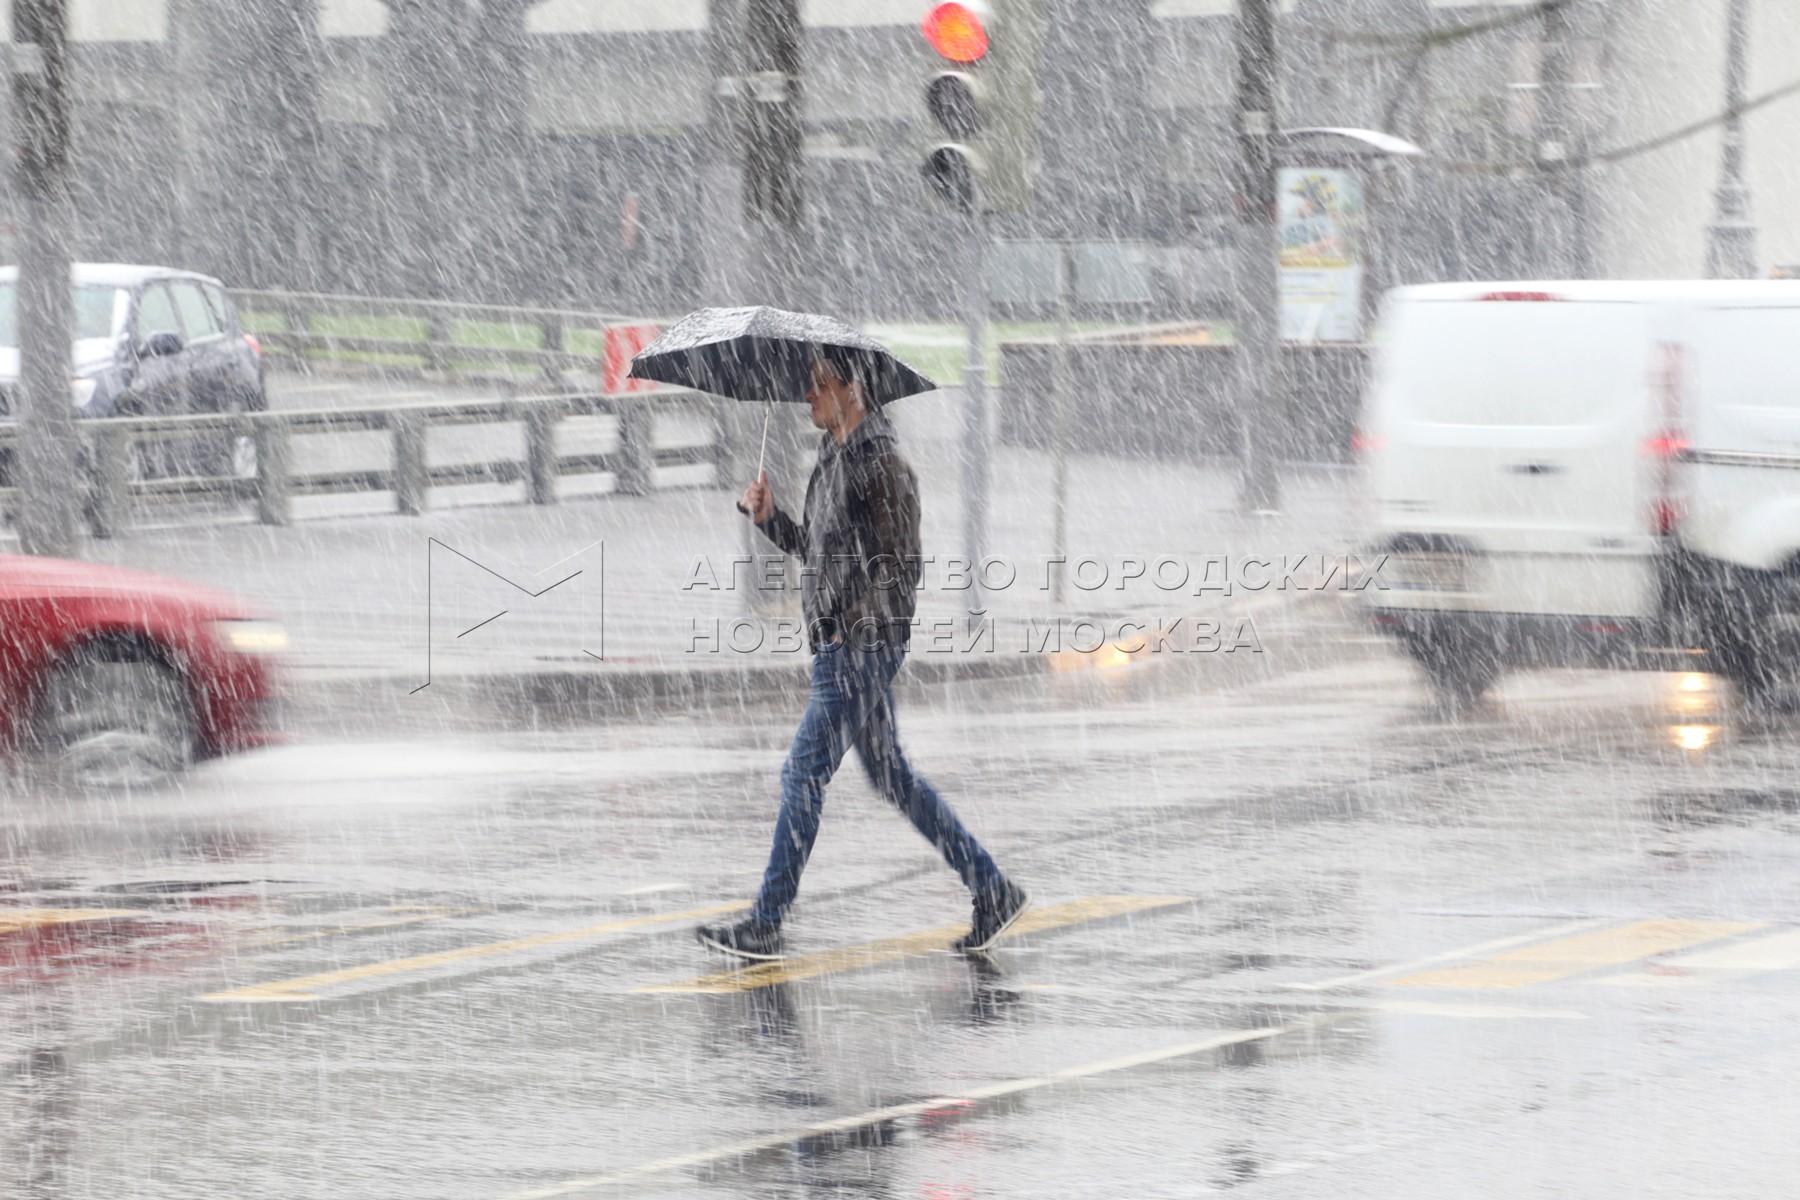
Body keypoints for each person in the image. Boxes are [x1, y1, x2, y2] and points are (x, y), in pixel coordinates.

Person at [694, 349, 1027, 961]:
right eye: (809, 385)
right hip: (842, 645)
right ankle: (993, 888)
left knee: (801, 774)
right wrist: (771, 520)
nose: (809, 397)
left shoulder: (883, 465)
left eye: (820, 385)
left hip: (858, 649)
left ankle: (767, 921)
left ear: (854, 388)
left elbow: (902, 570)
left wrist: (852, 627)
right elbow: (824, 555)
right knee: (892, 776)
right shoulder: (833, 459)